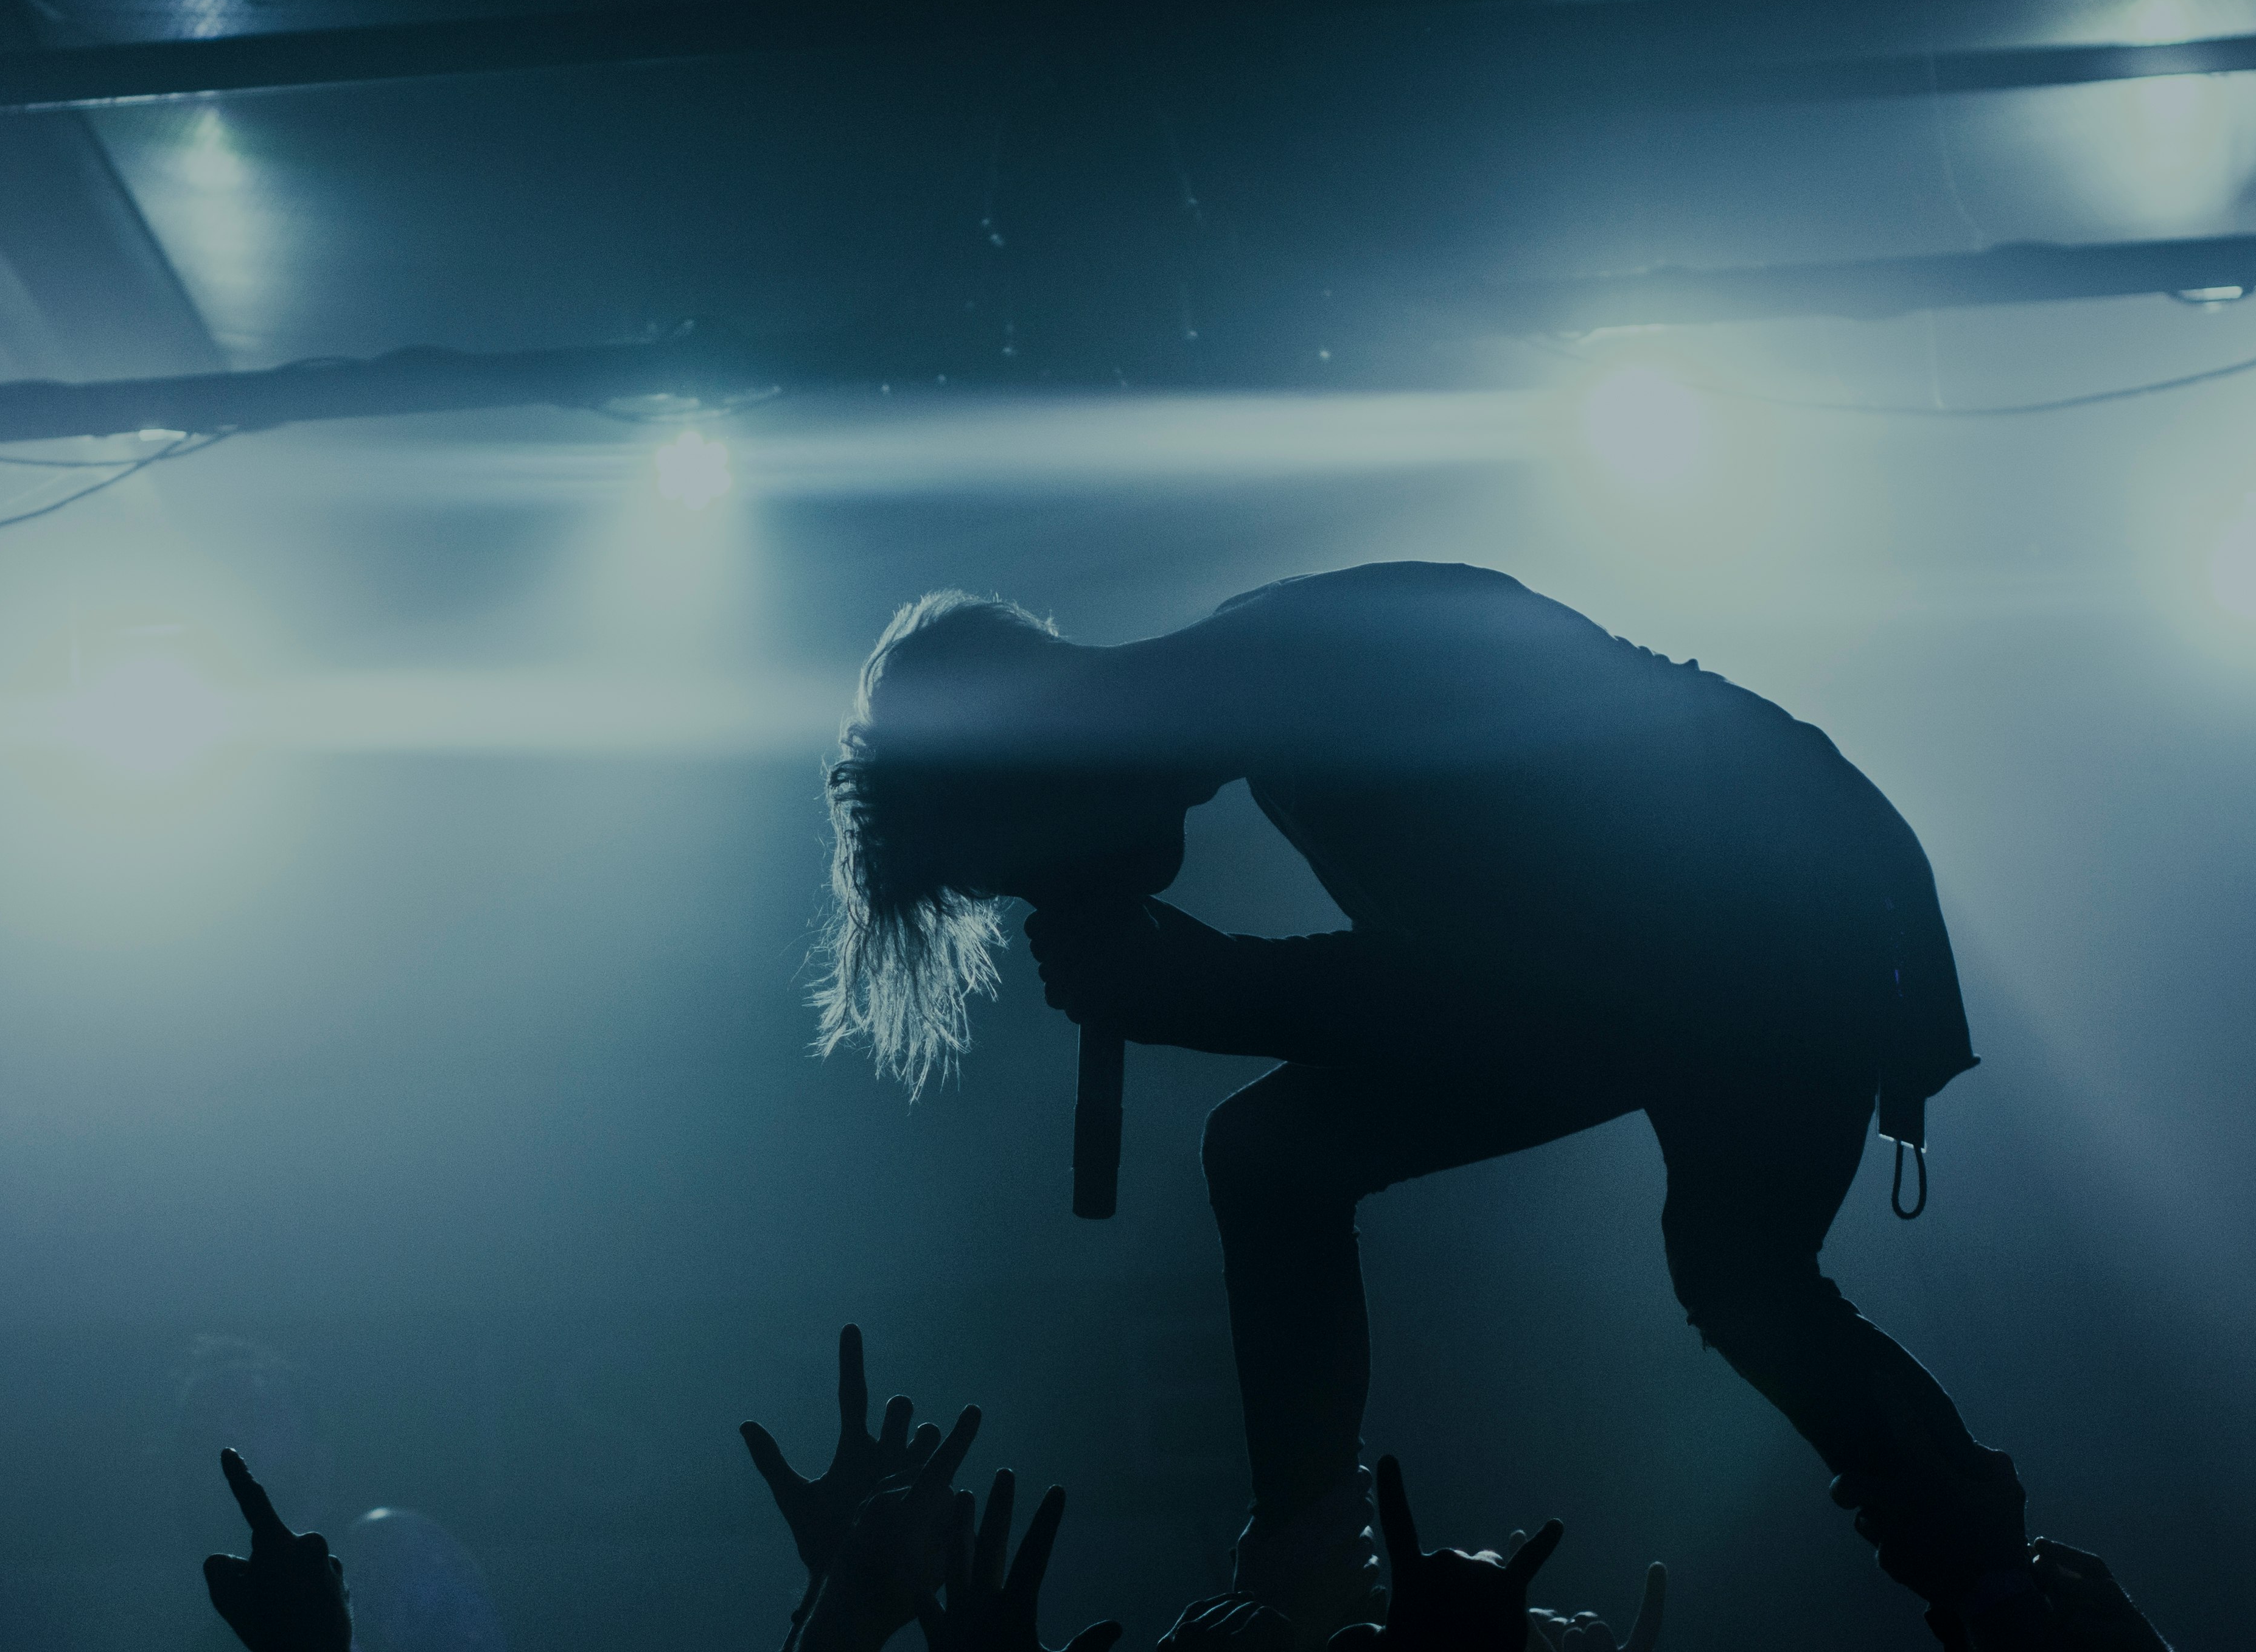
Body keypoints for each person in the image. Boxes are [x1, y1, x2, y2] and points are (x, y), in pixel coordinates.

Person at [814, 563, 1990, 1547]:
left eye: (1015, 866)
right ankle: (1993, 1576)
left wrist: (1214, 992)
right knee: (1737, 1273)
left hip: (1769, 926)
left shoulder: (1298, 683)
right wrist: (1212, 988)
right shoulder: (1271, 675)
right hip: (1753, 926)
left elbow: (1522, 992)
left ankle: (1304, 1567)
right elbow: (1515, 984)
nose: (1040, 900)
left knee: (1728, 1269)